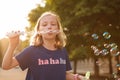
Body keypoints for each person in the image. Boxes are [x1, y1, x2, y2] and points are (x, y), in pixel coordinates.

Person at [2, 11, 88, 80]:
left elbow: (62, 74)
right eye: (44, 25)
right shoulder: (31, 51)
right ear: (39, 30)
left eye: (53, 24)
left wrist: (76, 77)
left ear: (58, 30)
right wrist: (12, 45)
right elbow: (6, 66)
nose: (49, 27)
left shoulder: (62, 51)